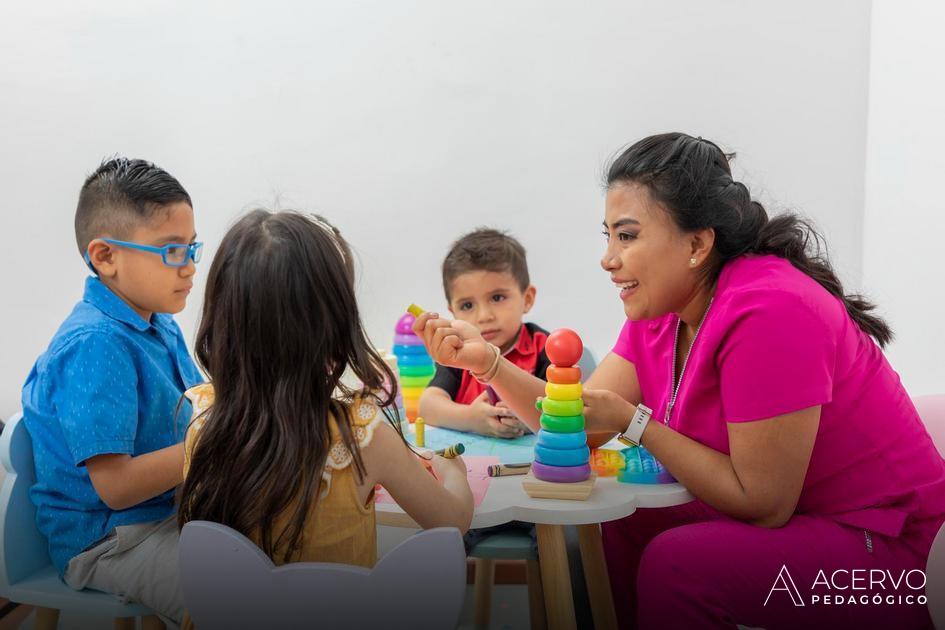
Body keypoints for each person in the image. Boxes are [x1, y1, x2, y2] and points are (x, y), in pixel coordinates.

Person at [413, 133, 945, 628]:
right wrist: (488, 365)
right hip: (814, 528)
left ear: (696, 244)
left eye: (627, 235)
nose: (608, 258)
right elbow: (577, 424)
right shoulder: (661, 311)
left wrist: (635, 423)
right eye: (608, 237)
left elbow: (763, 501)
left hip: (896, 567)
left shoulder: (771, 309)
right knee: (621, 523)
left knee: (679, 564)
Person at [177, 210, 473, 608]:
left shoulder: (201, 420)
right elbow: (452, 520)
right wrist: (454, 473)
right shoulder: (363, 435)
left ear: (224, 320)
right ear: (333, 324)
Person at [21, 157, 203, 624]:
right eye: (171, 251)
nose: (189, 269)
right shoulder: (97, 344)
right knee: (226, 591)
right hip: (108, 540)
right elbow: (117, 488)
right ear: (105, 256)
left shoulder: (159, 321)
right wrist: (205, 444)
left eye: (191, 248)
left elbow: (195, 406)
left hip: (163, 516)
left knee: (280, 545)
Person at [420, 228, 547, 438]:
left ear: (527, 299)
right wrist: (470, 418)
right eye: (467, 305)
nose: (484, 316)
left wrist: (524, 420)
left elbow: (566, 412)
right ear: (453, 312)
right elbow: (427, 406)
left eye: (497, 298)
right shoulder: (457, 353)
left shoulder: (544, 346)